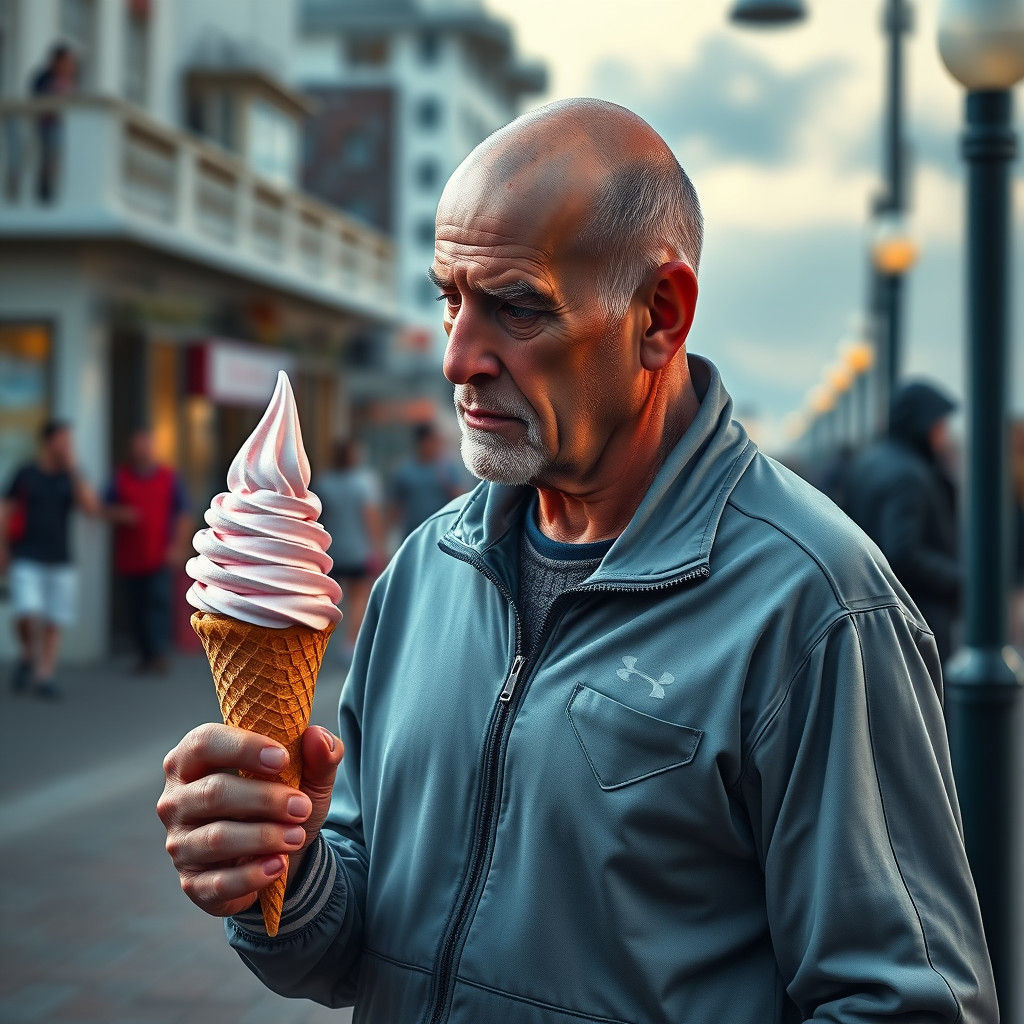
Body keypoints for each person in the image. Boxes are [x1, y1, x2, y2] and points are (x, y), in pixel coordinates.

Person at [158, 100, 996, 1023]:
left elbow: (906, 1004)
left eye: (515, 307)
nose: (458, 358)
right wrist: (278, 871)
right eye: (449, 298)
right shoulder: (424, 572)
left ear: (659, 316)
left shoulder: (818, 607)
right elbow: (360, 946)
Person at [844, 381, 961, 662]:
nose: (944, 435)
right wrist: (961, 579)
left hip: (875, 611)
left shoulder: (868, 461)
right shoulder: (909, 474)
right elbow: (904, 554)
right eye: (940, 425)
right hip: (917, 614)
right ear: (923, 425)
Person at [0, 420, 106, 699]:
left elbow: (92, 508)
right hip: (26, 554)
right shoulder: (25, 473)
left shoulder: (70, 476)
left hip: (60, 558)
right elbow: (6, 510)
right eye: (63, 440)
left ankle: (43, 674)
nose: (68, 445)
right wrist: (3, 549)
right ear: (48, 442)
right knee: (26, 612)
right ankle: (26, 652)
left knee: (53, 619)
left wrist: (74, 470)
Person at [106, 427, 192, 675]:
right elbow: (103, 507)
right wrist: (120, 514)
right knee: (135, 607)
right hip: (130, 557)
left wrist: (177, 546)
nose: (142, 450)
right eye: (138, 445)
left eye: (146, 445)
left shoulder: (169, 477)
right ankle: (144, 654)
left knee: (157, 603)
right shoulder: (120, 478)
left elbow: (183, 513)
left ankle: (158, 653)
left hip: (159, 556)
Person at [314, 437, 385, 662]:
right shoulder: (365, 482)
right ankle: (350, 645)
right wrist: (378, 547)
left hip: (331, 550)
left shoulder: (324, 482)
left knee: (326, 600)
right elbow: (370, 517)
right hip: (358, 550)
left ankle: (317, 643)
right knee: (358, 598)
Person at [389, 422, 467, 540]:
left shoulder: (447, 468)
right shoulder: (404, 471)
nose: (436, 446)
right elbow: (396, 506)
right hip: (412, 534)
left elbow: (461, 500)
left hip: (441, 534)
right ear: (421, 442)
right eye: (432, 441)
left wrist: (447, 484)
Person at [30, 43, 79, 202]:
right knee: (51, 150)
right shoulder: (43, 79)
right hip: (46, 127)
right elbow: (38, 102)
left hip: (65, 130)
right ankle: (46, 190)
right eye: (66, 62)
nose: (69, 67)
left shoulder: (72, 82)